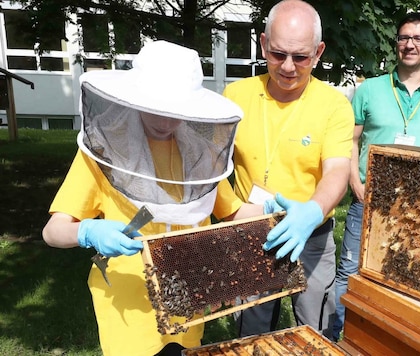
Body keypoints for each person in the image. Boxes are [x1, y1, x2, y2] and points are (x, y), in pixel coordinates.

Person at [42, 40, 264, 356]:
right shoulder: (103, 150)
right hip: (128, 306)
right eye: (155, 109)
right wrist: (87, 231)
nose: (163, 122)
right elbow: (53, 231)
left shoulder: (200, 155)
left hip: (186, 297)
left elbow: (231, 213)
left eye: (174, 111)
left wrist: (274, 209)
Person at [212, 0, 354, 340]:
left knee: (315, 330)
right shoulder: (235, 95)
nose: (288, 66)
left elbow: (337, 171)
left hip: (311, 236)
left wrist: (312, 211)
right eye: (277, 54)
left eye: (301, 57)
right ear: (263, 44)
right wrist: (233, 213)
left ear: (318, 52)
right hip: (251, 232)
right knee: (251, 330)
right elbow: (212, 168)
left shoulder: (334, 105)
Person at [331, 11, 420, 341]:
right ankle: (340, 339)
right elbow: (351, 139)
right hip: (369, 199)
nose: (410, 45)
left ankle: (385, 341)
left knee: (406, 271)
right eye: (404, 38)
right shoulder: (369, 89)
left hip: (418, 207)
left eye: (418, 39)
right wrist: (355, 184)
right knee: (350, 272)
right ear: (396, 44)